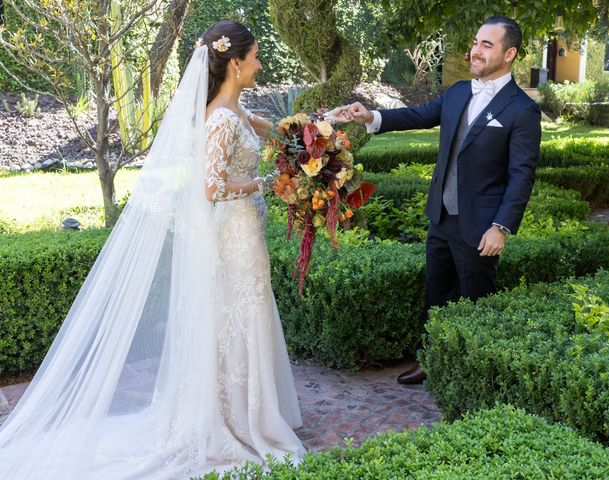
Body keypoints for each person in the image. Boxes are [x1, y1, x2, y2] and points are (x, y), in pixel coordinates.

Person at [0, 21, 305, 479]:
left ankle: (250, 409)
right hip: (233, 235)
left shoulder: (237, 111)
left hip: (245, 232)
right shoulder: (221, 119)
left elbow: (277, 130)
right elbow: (211, 187)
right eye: (257, 56)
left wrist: (317, 139)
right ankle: (236, 419)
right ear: (236, 64)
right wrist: (268, 184)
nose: (261, 63)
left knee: (242, 317)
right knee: (236, 318)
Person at [343, 16, 541, 384]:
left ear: (509, 54)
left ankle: (475, 376)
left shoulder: (521, 110)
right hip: (441, 215)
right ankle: (431, 360)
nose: (475, 51)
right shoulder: (458, 92)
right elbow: (418, 115)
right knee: (436, 293)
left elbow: (521, 175)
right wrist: (371, 116)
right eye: (476, 42)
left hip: (481, 225)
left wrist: (501, 227)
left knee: (476, 300)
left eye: (487, 45)